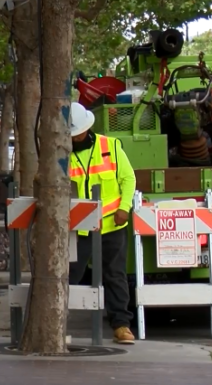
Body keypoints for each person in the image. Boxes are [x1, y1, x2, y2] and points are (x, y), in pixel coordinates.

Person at [67, 102, 137, 345]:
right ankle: (57, 322)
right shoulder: (63, 154)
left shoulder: (111, 146)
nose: (76, 138)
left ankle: (121, 325)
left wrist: (124, 208)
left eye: (78, 133)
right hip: (79, 227)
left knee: (115, 275)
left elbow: (128, 179)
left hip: (111, 225)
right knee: (70, 274)